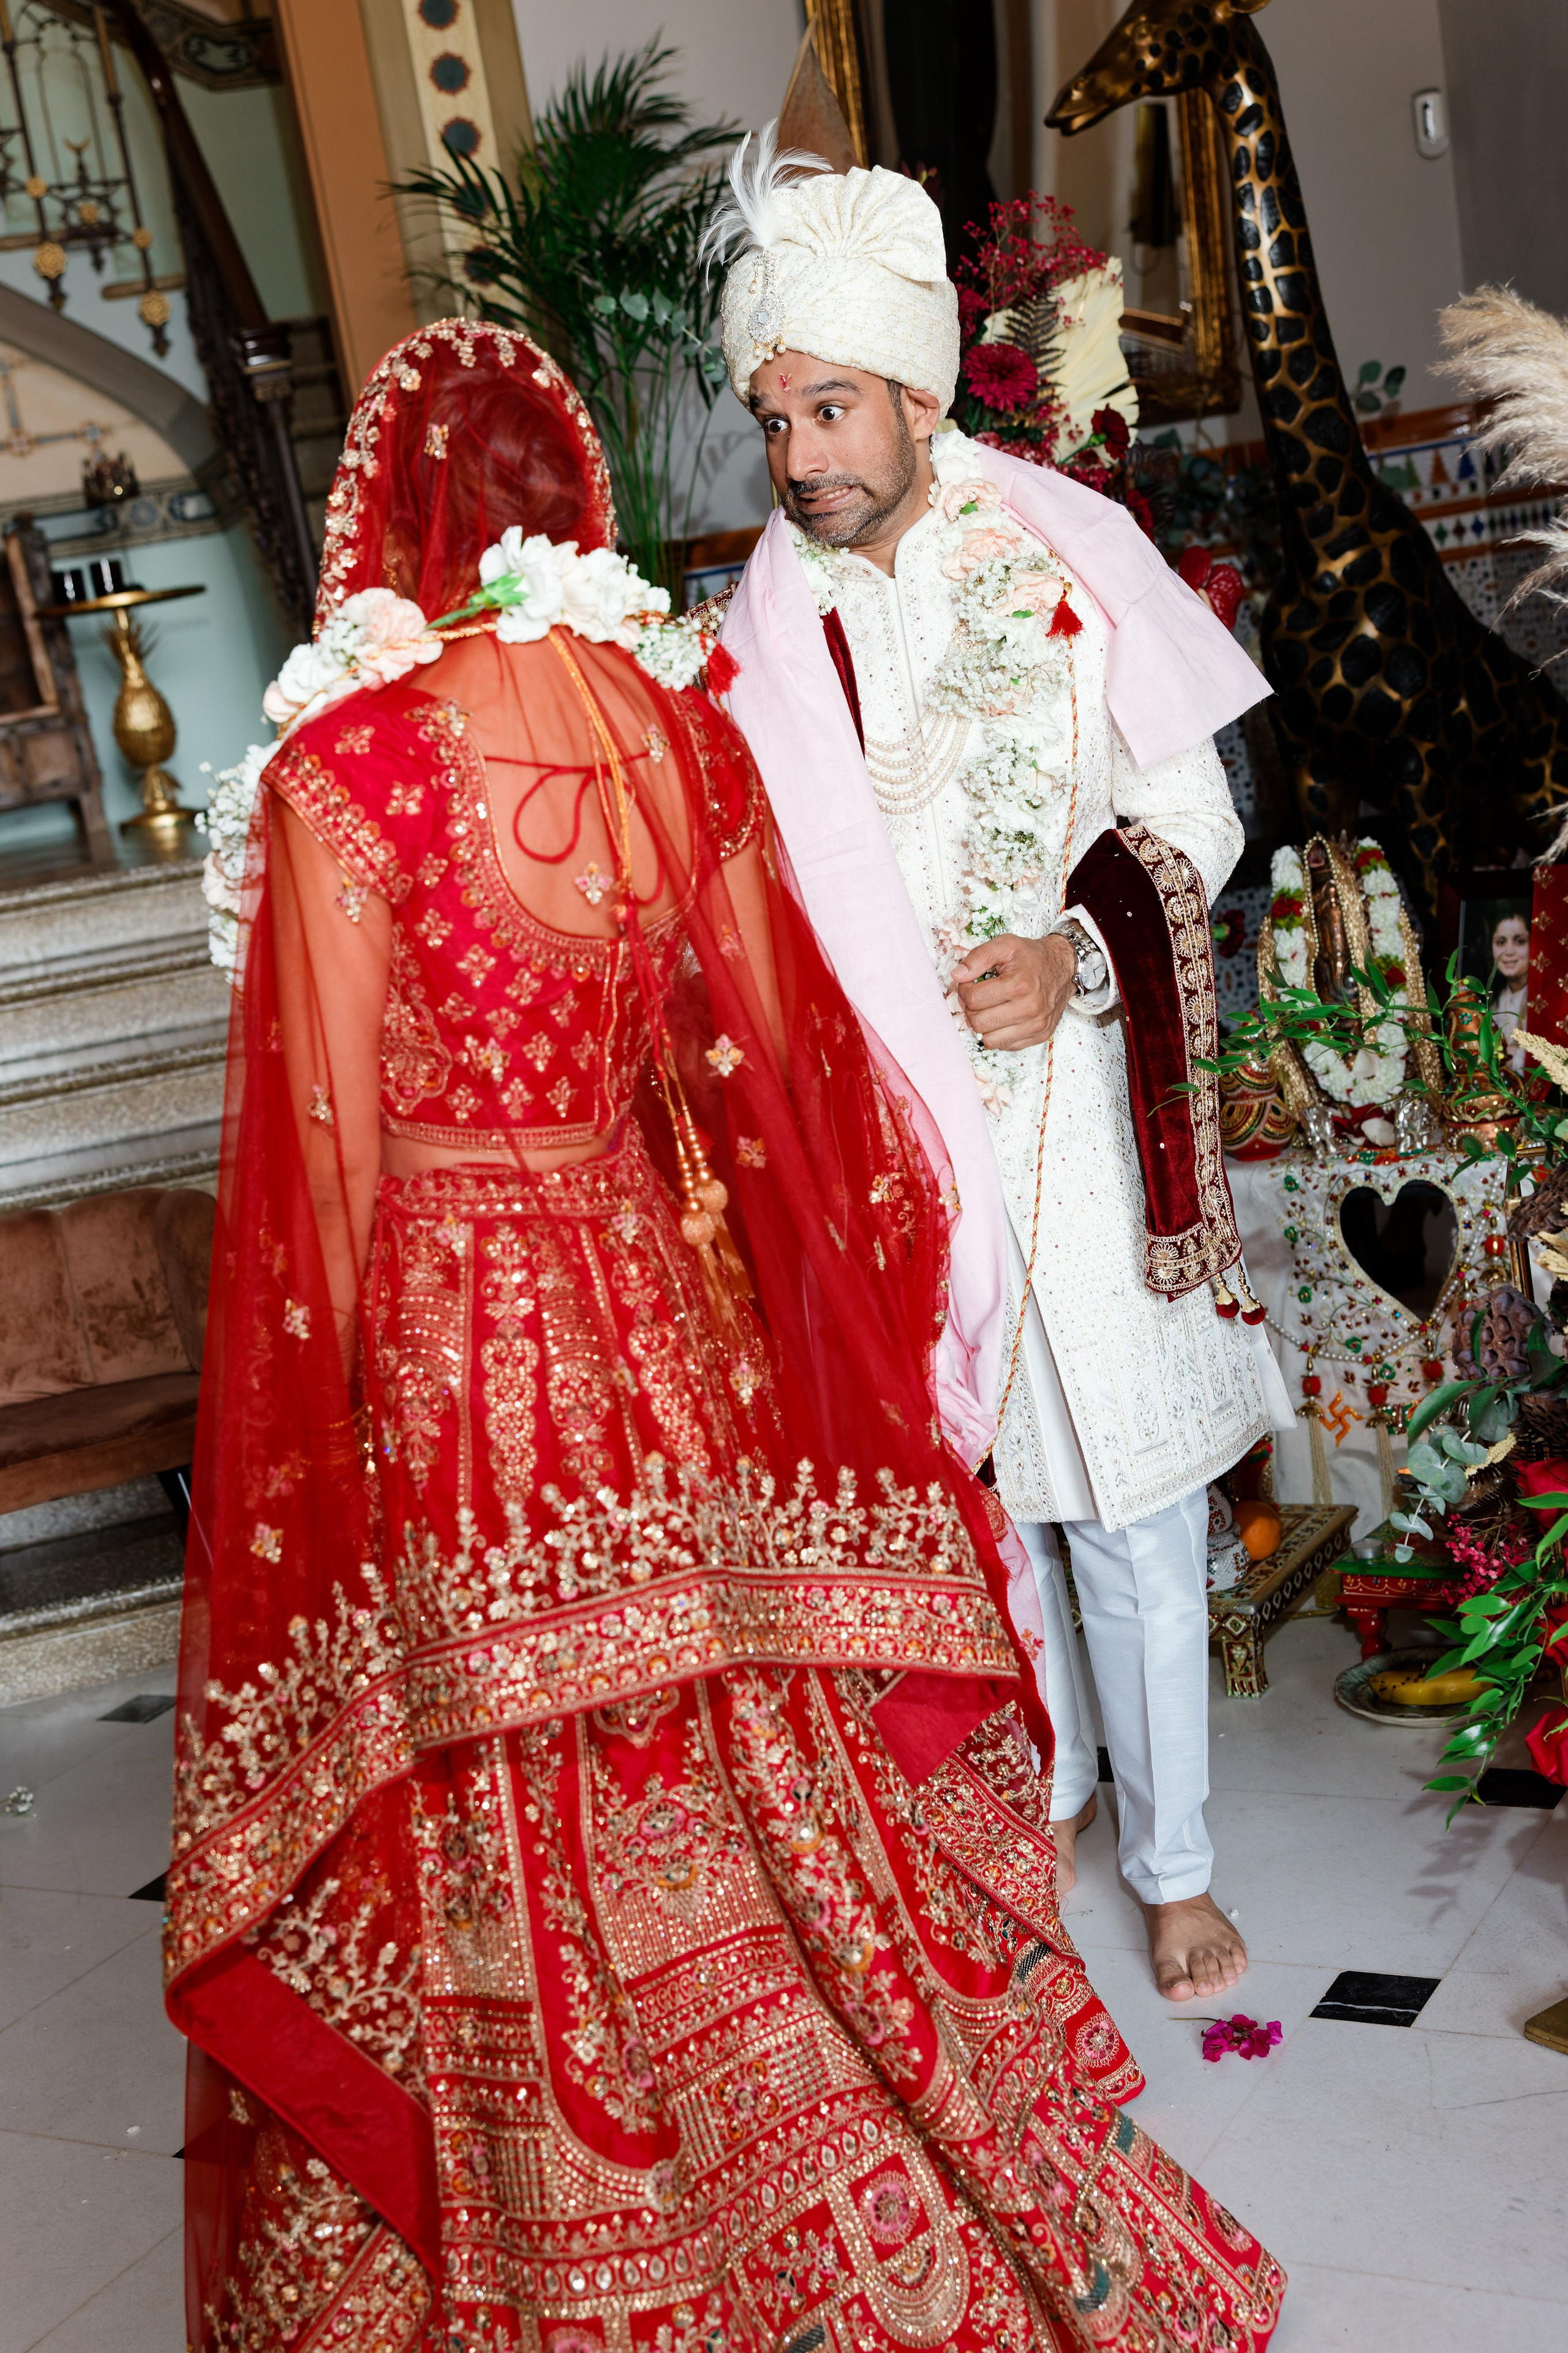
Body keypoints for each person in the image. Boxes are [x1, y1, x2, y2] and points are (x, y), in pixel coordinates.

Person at [164, 320, 1284, 2352]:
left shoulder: (345, 775)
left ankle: (574, 2167)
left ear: (378, 517)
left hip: (461, 1352)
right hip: (656, 1323)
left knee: (506, 1759)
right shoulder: (680, 735)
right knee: (729, 1729)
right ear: (572, 502)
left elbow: (323, 1165)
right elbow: (784, 1079)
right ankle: (806, 2101)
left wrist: (308, 1423)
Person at [709, 142, 1291, 2004]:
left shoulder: (1057, 544)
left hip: (1082, 1111)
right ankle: (1028, 1814)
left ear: (914, 388)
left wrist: (1081, 956)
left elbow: (1192, 804)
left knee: (1123, 1501)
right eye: (773, 415)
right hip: (896, 1137)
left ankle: (1175, 1859)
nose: (800, 455)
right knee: (982, 1502)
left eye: (829, 406)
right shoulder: (764, 627)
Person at [1489, 909, 1530, 1073]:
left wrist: (1516, 1059)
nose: (1509, 951)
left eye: (1520, 941)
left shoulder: (1550, 1003)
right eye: (1501, 942)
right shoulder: (1491, 1002)